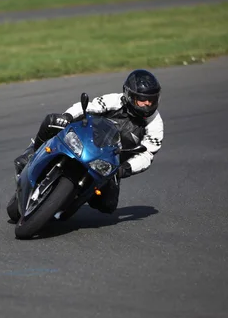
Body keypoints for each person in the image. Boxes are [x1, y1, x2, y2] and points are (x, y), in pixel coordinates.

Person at [14, 69, 164, 214]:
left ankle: (72, 198)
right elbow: (89, 106)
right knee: (51, 121)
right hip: (85, 142)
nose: (147, 104)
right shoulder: (115, 100)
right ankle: (33, 153)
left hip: (109, 163)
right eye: (142, 99)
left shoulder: (155, 124)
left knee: (107, 205)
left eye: (151, 100)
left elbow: (148, 154)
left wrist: (126, 168)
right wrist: (68, 116)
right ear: (130, 95)